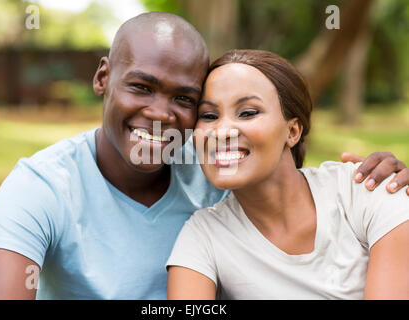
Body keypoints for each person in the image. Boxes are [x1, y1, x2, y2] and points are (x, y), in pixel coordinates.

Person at [0, 12, 409, 300]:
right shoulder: (41, 188)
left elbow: (283, 179)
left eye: (185, 98)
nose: (160, 114)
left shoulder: (216, 170)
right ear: (103, 77)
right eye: (141, 87)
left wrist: (381, 182)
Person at [166, 49, 409, 300]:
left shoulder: (368, 190)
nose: (222, 131)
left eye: (248, 113)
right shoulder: (204, 235)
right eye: (209, 116)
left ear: (292, 131)